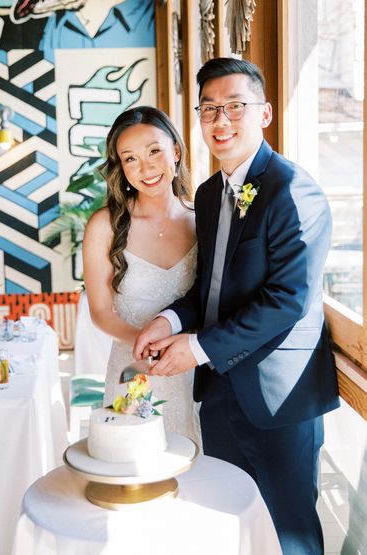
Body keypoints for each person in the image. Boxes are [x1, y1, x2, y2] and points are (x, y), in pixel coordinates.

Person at [133, 58, 340, 555]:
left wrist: (197, 347)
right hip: (221, 395)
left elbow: (286, 300)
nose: (220, 120)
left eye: (234, 107)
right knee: (229, 528)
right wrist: (167, 321)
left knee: (289, 536)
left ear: (264, 113)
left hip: (278, 398)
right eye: (209, 109)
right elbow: (211, 286)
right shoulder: (207, 195)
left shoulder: (294, 189)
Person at [82, 105, 201, 447]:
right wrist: (146, 343)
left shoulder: (202, 220)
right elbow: (101, 312)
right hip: (134, 369)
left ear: (175, 152)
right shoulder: (105, 225)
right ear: (120, 167)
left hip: (194, 367)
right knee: (134, 468)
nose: (145, 168)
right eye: (130, 159)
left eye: (154, 152)